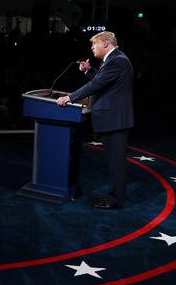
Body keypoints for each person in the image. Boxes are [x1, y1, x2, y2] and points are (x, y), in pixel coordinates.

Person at [56, 31, 134, 209]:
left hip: (115, 119)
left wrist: (70, 98)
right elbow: (103, 80)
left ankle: (116, 200)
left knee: (116, 162)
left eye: (94, 44)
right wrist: (89, 70)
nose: (92, 48)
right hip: (114, 118)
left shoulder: (117, 61)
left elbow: (96, 85)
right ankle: (114, 197)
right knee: (113, 162)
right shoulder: (114, 60)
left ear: (105, 43)